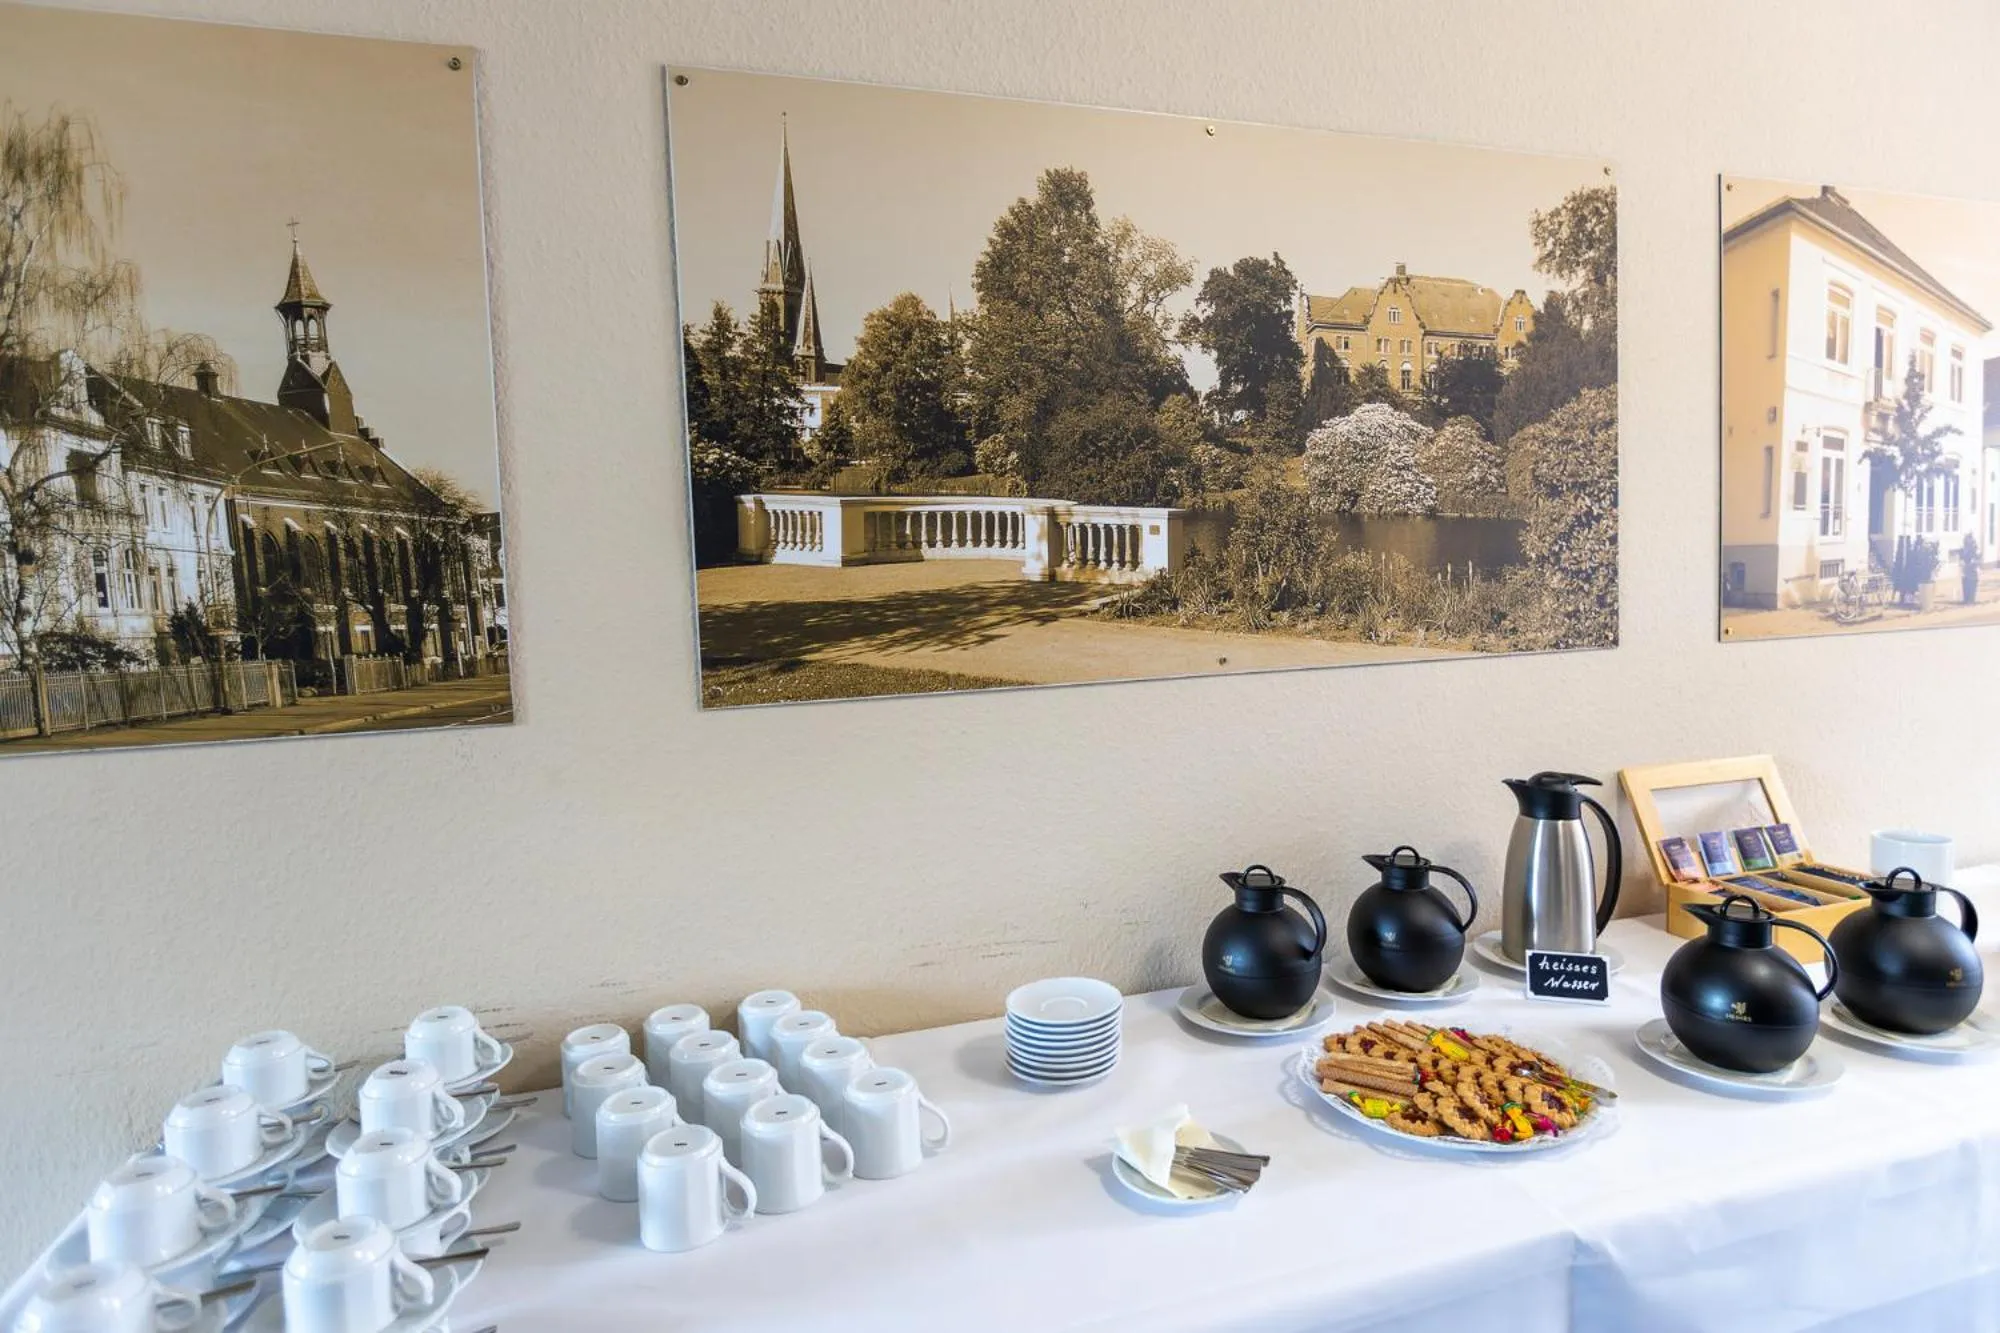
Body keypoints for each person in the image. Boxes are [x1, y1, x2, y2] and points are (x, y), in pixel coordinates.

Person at [1963, 532, 1982, 606]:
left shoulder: (1974, 548)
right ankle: (1968, 600)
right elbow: (1964, 558)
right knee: (1967, 583)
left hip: (1973, 570)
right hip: (1967, 570)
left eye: (1968, 539)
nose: (1967, 541)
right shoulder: (1965, 548)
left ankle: (1971, 600)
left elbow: (1978, 557)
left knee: (1972, 584)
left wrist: (1974, 562)